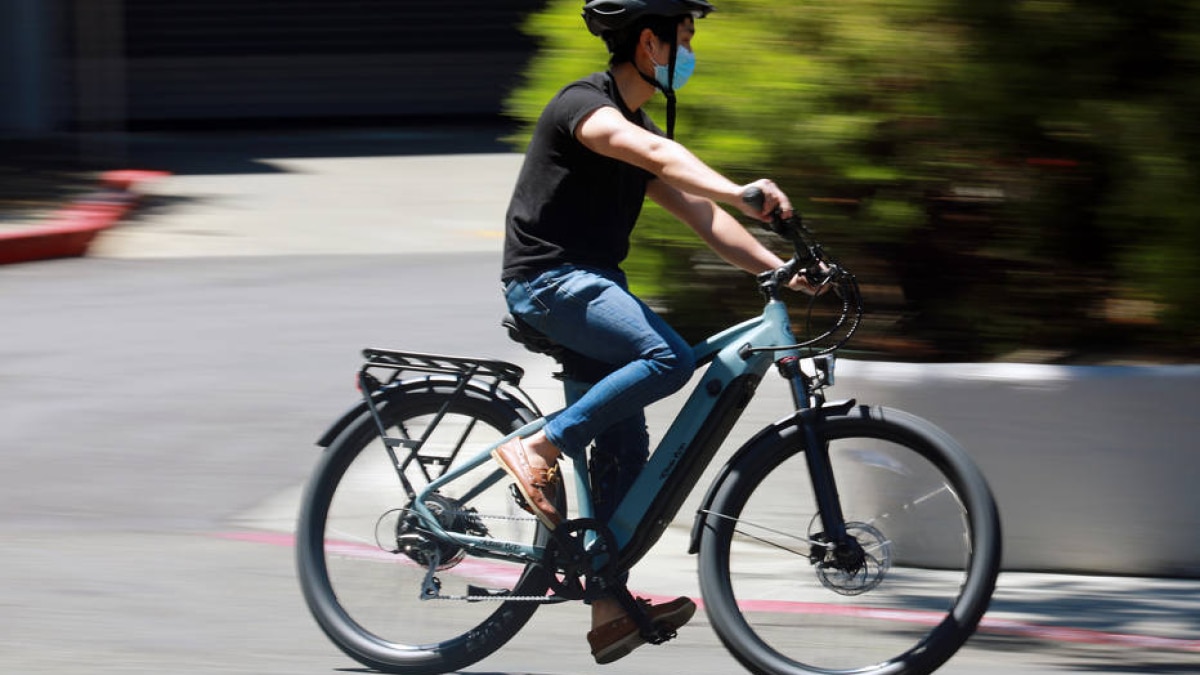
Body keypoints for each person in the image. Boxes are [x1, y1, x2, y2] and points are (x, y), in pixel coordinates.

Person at [494, 0, 818, 664]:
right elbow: (654, 153)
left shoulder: (633, 122)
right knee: (666, 358)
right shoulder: (585, 108)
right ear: (650, 42)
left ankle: (609, 607)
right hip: (548, 281)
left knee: (625, 448)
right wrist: (741, 188)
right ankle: (538, 448)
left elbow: (702, 215)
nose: (692, 51)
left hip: (590, 286)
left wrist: (780, 269)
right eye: (687, 37)